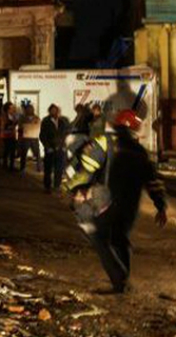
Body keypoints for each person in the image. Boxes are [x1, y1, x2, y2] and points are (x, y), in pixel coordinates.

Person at [61, 109, 168, 293]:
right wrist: (160, 206)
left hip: (108, 203)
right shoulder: (140, 152)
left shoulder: (107, 144)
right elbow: (153, 182)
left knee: (98, 237)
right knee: (119, 238)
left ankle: (119, 280)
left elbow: (86, 168)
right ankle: (123, 280)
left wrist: (73, 189)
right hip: (130, 207)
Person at [40, 104, 70, 193]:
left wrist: (64, 145)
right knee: (48, 168)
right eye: (52, 110)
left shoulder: (62, 121)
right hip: (50, 148)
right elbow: (42, 135)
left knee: (59, 168)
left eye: (56, 110)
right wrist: (47, 146)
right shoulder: (46, 121)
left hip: (60, 148)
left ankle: (57, 185)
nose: (54, 112)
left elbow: (64, 134)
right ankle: (47, 187)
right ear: (49, 111)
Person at [18, 104, 42, 173]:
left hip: (34, 138)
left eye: (30, 109)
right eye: (28, 109)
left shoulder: (36, 117)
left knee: (37, 154)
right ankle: (22, 168)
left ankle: (39, 168)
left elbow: (39, 125)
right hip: (25, 138)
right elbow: (20, 127)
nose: (29, 110)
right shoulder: (22, 118)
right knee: (23, 154)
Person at [0, 103, 19, 171]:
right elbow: (3, 126)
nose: (12, 109)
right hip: (6, 135)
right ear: (7, 109)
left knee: (13, 151)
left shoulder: (13, 116)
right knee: (7, 150)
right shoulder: (4, 116)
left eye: (13, 108)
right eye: (11, 108)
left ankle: (11, 166)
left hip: (12, 135)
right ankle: (5, 165)